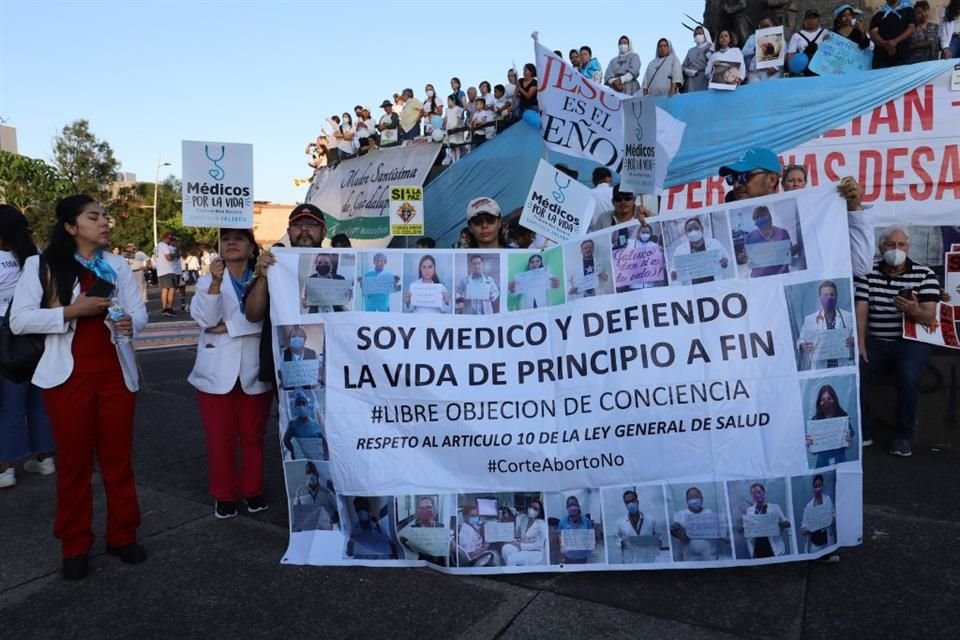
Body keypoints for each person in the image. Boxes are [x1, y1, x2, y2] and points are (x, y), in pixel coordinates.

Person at [10, 194, 148, 580]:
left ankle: (123, 535)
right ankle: (74, 544)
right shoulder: (43, 265)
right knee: (73, 465)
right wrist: (72, 311)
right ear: (71, 227)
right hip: (66, 379)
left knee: (119, 462)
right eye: (94, 217)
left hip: (116, 375)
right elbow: (20, 321)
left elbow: (139, 312)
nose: (104, 222)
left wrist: (130, 325)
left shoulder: (118, 264)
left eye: (104, 216)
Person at [188, 227, 272, 519]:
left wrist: (232, 327)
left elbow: (268, 321)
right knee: (219, 438)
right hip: (215, 372)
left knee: (253, 436)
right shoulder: (206, 280)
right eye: (226, 239)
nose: (232, 242)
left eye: (240, 238)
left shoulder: (266, 277)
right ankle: (223, 494)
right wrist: (215, 282)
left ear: (251, 247)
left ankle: (253, 490)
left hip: (254, 371)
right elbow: (207, 321)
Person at [718, 147, 875, 278]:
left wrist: (854, 207)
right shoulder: (733, 227)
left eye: (744, 176)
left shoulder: (811, 216)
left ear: (772, 180)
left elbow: (861, 266)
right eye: (733, 179)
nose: (737, 184)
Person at [856, 227, 940, 456]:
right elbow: (861, 308)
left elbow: (930, 316)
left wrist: (914, 310)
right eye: (891, 245)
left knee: (909, 375)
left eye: (901, 245)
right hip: (876, 340)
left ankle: (903, 435)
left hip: (911, 343)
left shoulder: (924, 274)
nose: (896, 249)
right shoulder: (867, 272)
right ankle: (863, 431)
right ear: (881, 248)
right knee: (856, 373)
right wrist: (860, 343)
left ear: (908, 248)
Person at [0, 205, 55, 489]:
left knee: (8, 402)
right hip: (36, 333)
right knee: (38, 399)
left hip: (4, 337)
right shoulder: (36, 259)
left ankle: (4, 468)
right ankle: (45, 458)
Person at [245, 204, 327, 387]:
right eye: (298, 225)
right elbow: (252, 315)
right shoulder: (274, 264)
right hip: (285, 369)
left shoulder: (333, 268)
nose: (304, 229)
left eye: (311, 224)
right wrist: (263, 277)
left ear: (323, 231)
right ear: (289, 232)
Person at [798, 280, 856, 370]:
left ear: (836, 296)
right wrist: (802, 346)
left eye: (832, 295)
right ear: (819, 298)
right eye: (825, 295)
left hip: (843, 367)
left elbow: (856, 337)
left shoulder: (848, 317)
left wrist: (854, 340)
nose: (829, 298)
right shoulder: (810, 319)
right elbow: (801, 340)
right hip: (820, 369)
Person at [738, 205, 799, 278]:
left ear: (769, 217)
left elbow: (789, 253)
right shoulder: (749, 238)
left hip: (781, 276)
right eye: (756, 218)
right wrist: (743, 258)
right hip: (759, 278)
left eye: (762, 216)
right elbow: (747, 258)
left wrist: (798, 247)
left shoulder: (782, 233)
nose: (759, 219)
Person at [670, 217, 730, 285]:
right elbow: (673, 271)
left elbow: (726, 260)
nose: (693, 232)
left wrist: (725, 263)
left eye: (696, 228)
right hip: (692, 289)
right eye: (689, 230)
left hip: (714, 286)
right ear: (686, 233)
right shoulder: (679, 250)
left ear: (702, 229)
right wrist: (674, 275)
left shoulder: (715, 244)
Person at [806, 384, 854, 467]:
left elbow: (849, 446)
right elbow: (813, 452)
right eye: (823, 399)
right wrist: (810, 444)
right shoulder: (815, 422)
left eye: (829, 398)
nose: (826, 402)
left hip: (841, 463)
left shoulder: (843, 419)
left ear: (834, 400)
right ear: (819, 402)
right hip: (822, 465)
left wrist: (849, 441)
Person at [670, 487, 721, 561]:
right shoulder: (680, 515)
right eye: (691, 497)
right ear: (687, 500)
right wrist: (679, 535)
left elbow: (718, 530)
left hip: (709, 558)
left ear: (702, 498)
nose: (694, 499)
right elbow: (673, 530)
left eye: (697, 496)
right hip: (689, 559)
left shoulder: (710, 513)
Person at [741, 483, 791, 558]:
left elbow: (787, 524)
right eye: (753, 493)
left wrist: (778, 524)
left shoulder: (775, 508)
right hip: (757, 548)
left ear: (764, 492)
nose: (756, 495)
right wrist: (744, 528)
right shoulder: (749, 511)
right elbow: (749, 529)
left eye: (758, 492)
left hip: (774, 548)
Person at [613, 489, 662, 563]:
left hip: (648, 561)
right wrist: (622, 543)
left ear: (637, 501)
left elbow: (659, 537)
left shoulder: (651, 520)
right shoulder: (620, 522)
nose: (631, 504)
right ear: (625, 505)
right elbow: (616, 538)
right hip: (629, 561)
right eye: (627, 502)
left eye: (633, 500)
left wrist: (657, 543)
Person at [869, 0, 918, 68]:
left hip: (902, 60)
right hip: (881, 61)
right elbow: (873, 34)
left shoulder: (909, 11)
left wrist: (895, 41)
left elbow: (911, 29)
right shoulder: (878, 15)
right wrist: (885, 44)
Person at [282, 390, 327, 461]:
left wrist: (326, 457)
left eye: (303, 403)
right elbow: (286, 440)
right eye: (298, 404)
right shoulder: (293, 424)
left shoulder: (315, 424)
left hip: (315, 458)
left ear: (307, 405)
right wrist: (294, 451)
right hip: (300, 459)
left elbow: (324, 442)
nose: (301, 406)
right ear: (295, 407)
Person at [502, 498, 547, 566]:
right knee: (505, 549)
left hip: (535, 552)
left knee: (511, 559)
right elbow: (518, 535)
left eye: (535, 508)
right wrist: (513, 541)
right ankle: (516, 569)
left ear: (539, 512)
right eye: (531, 507)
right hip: (522, 547)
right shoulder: (524, 519)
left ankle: (513, 573)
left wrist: (520, 545)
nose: (532, 510)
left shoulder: (541, 524)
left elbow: (538, 545)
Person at [800, 475, 836, 554]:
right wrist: (810, 528)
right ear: (813, 488)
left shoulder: (827, 500)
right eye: (816, 486)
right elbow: (802, 529)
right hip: (815, 546)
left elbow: (834, 516)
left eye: (820, 485)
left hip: (828, 542)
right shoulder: (808, 507)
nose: (818, 488)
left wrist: (830, 520)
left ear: (823, 486)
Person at [787, 9, 829, 75]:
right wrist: (792, 71)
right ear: (804, 21)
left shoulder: (825, 33)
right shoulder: (796, 36)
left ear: (818, 20)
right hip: (803, 69)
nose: (811, 21)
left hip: (820, 68)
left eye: (814, 18)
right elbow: (790, 54)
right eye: (809, 18)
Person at [744, 14, 783, 84]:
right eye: (762, 26)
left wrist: (776, 67)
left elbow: (783, 54)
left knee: (769, 92)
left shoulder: (778, 37)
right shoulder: (752, 38)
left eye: (767, 25)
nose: (765, 28)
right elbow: (743, 53)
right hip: (754, 72)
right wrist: (753, 50)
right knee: (753, 92)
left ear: (773, 25)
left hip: (770, 71)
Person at [556, 495, 594, 564]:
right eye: (570, 505)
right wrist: (561, 546)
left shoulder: (586, 521)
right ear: (567, 508)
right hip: (568, 557)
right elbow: (560, 537)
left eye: (574, 504)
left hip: (583, 556)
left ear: (578, 506)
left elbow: (590, 538)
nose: (572, 507)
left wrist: (591, 548)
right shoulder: (563, 522)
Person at [155, 230, 181, 316]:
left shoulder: (157, 246)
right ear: (167, 238)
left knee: (165, 289)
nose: (171, 241)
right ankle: (169, 308)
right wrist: (175, 254)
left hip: (161, 271)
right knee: (172, 288)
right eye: (170, 239)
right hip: (168, 270)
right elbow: (169, 258)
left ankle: (164, 308)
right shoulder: (164, 246)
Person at [682, 26, 713, 92]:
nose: (697, 35)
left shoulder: (711, 47)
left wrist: (708, 54)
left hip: (706, 78)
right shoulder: (690, 51)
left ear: (705, 34)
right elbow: (683, 67)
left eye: (700, 33)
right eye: (695, 34)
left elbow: (715, 62)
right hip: (692, 81)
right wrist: (691, 72)